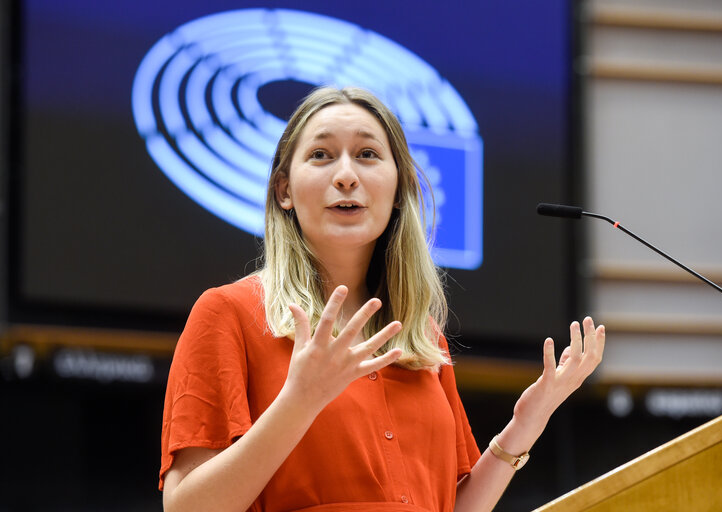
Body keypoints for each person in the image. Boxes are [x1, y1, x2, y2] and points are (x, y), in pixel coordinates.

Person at [159, 86, 605, 512]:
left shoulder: (421, 337)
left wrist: (524, 426)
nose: (347, 175)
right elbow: (188, 507)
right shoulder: (229, 314)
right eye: (321, 155)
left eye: (368, 154)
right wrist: (300, 402)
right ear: (284, 191)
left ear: (398, 190)